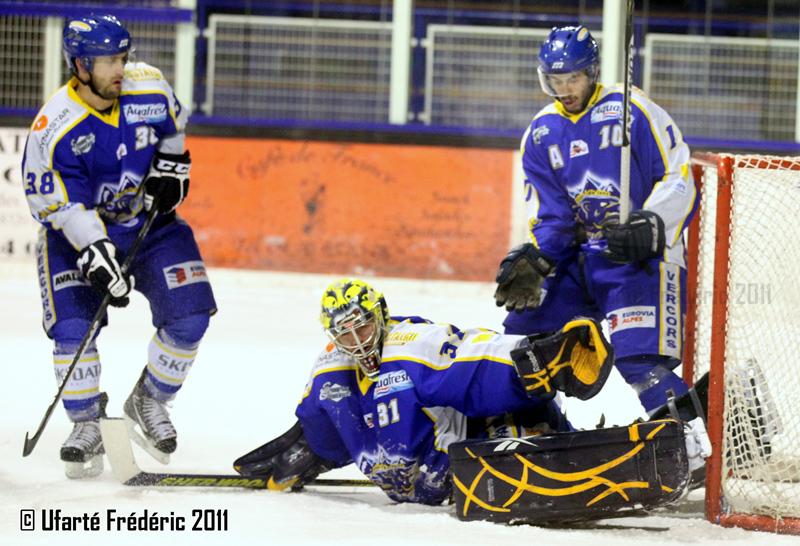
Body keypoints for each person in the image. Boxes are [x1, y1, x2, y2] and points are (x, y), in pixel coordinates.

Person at [22, 14, 216, 478]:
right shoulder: (54, 126)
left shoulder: (148, 87)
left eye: (122, 58)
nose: (119, 69)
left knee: (191, 315)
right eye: (107, 61)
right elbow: (58, 204)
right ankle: (86, 421)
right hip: (74, 237)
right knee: (73, 329)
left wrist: (172, 165)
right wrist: (94, 248)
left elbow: (175, 123)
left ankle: (149, 400)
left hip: (149, 226)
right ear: (80, 65)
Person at [234, 278, 614, 505]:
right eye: (344, 334)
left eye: (362, 327)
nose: (357, 342)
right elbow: (332, 425)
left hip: (470, 465)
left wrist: (536, 361)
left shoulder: (411, 345)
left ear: (381, 315)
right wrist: (313, 448)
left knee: (512, 426)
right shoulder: (331, 375)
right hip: (429, 493)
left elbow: (471, 360)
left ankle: (567, 451)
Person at [494, 25, 697, 415]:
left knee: (640, 361)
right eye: (555, 80)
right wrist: (540, 255)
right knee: (526, 349)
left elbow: (679, 175)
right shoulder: (541, 133)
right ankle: (538, 429)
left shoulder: (632, 109)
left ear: (592, 72)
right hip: (582, 258)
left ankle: (690, 434)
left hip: (639, 256)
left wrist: (651, 223)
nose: (565, 89)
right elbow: (553, 215)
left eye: (573, 78)